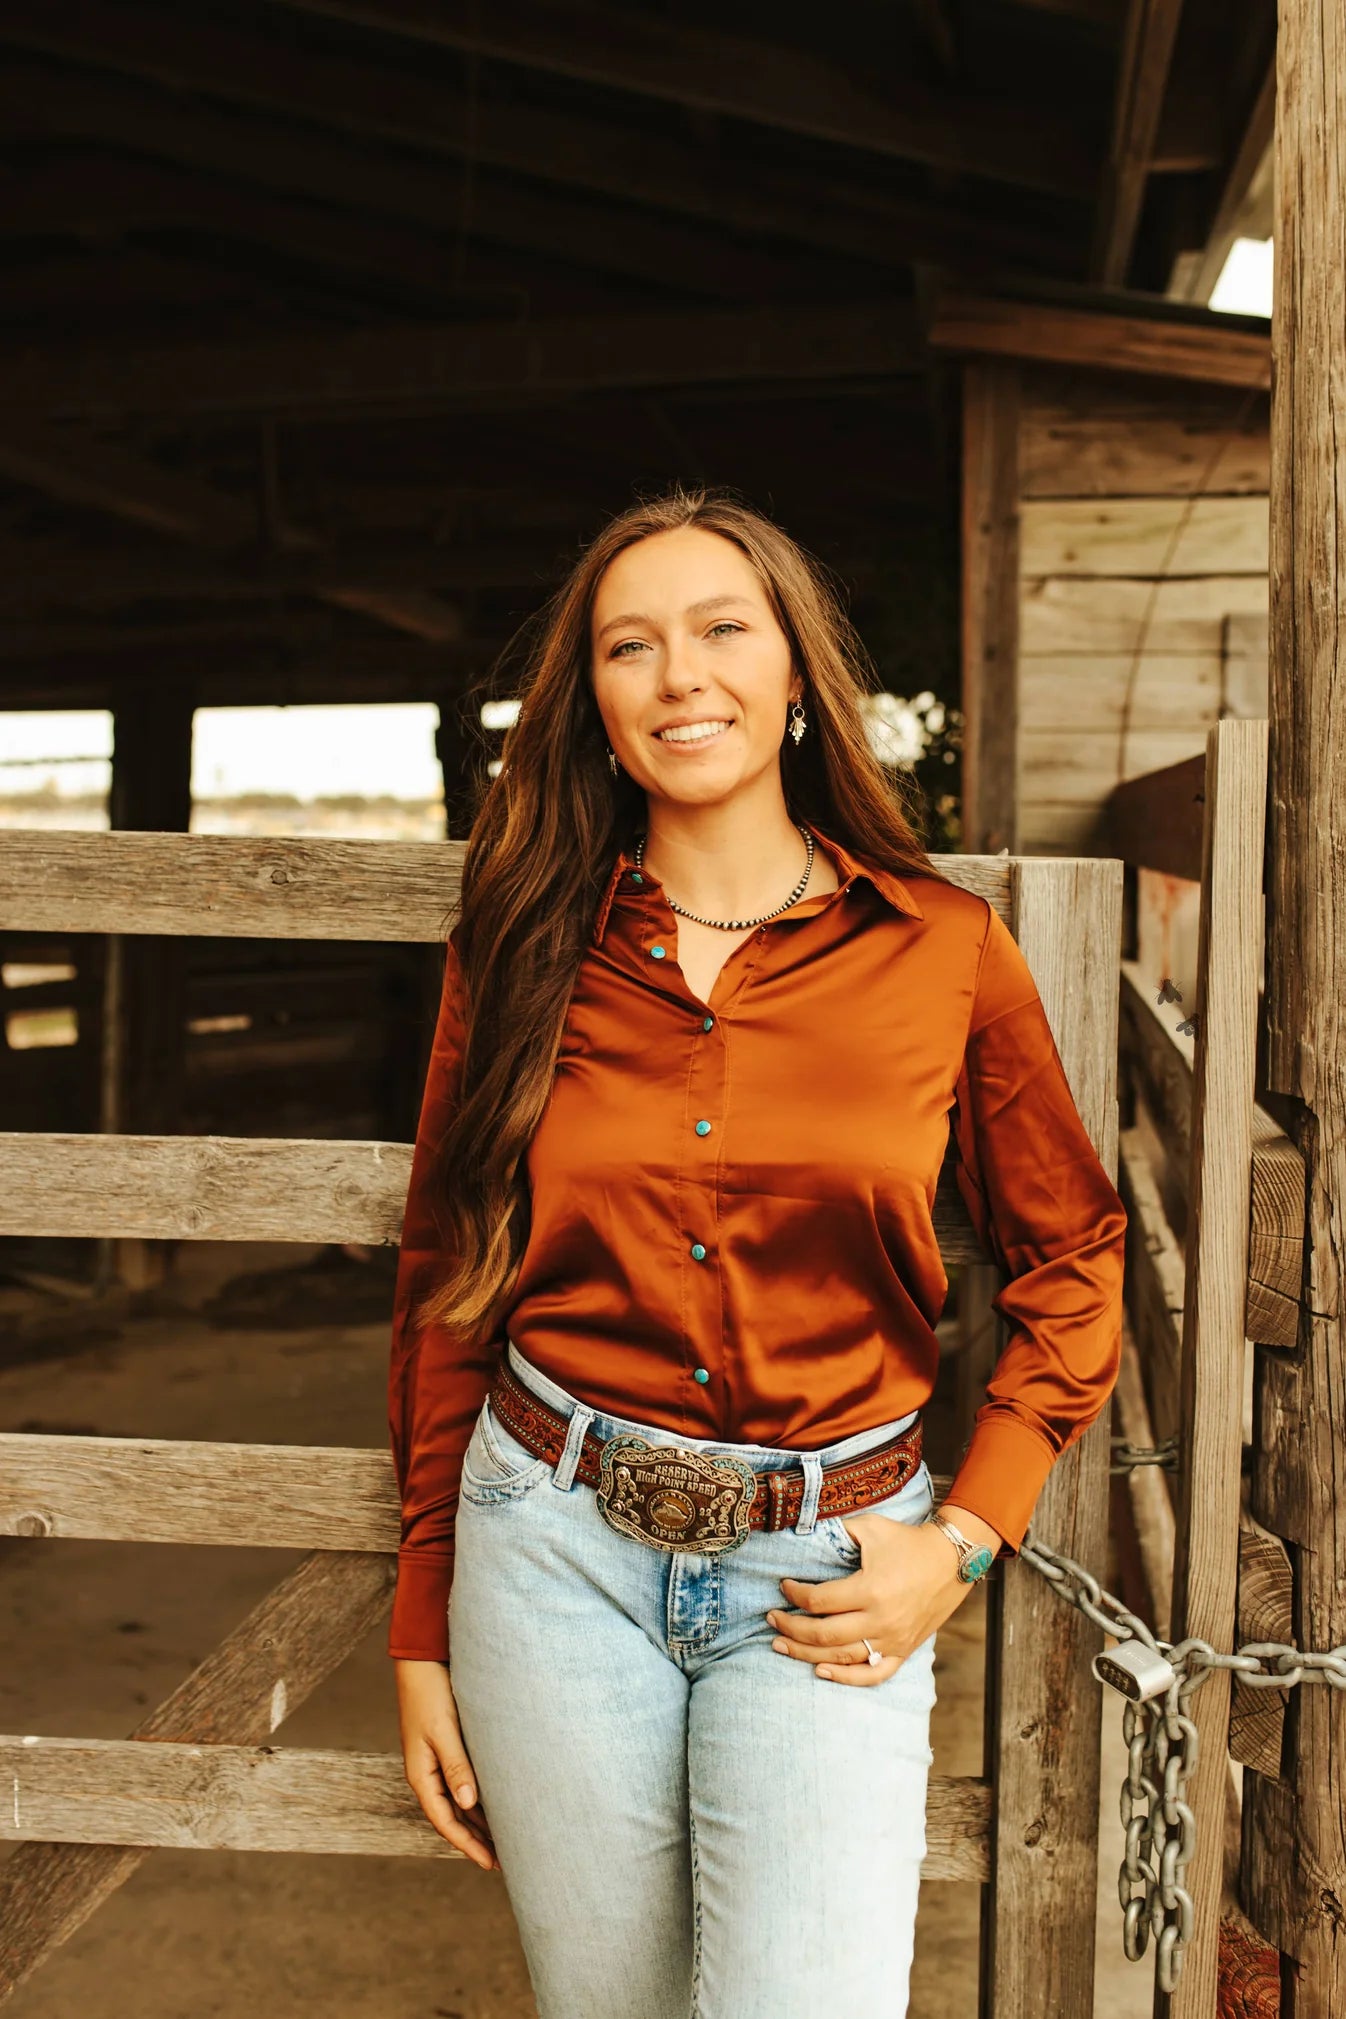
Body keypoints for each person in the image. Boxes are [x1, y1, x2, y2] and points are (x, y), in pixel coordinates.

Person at [389, 486, 1127, 2019]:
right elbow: (447, 1275)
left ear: (796, 674)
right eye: (629, 646)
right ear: (594, 704)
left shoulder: (940, 951)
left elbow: (1073, 1255)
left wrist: (964, 1537)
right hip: (548, 1553)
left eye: (722, 629)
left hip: (832, 1572)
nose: (680, 675)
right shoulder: (520, 945)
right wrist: (421, 1620)